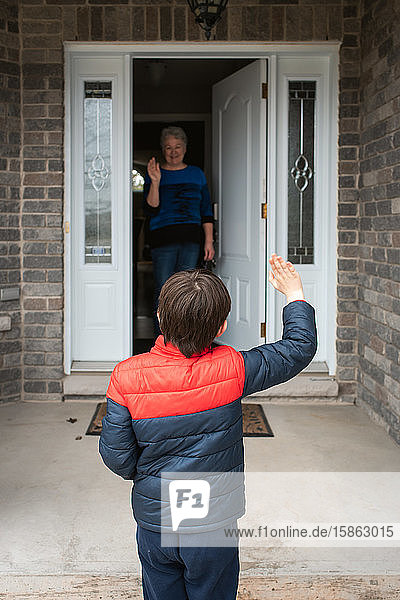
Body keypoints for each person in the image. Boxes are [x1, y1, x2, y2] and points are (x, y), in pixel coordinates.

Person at [99, 254, 317, 600]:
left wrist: (148, 476)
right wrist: (294, 294)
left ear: (159, 317)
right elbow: (297, 348)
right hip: (213, 527)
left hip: (157, 522)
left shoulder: (126, 376)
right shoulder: (233, 368)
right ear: (221, 327)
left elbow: (117, 457)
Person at [144, 126, 215, 335]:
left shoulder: (196, 174)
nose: (173, 152)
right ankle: (162, 340)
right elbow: (150, 208)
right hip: (162, 241)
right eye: (168, 148)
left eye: (177, 147)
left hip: (191, 241)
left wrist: (209, 241)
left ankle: (184, 339)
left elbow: (206, 209)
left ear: (185, 148)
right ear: (162, 150)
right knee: (163, 291)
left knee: (189, 291)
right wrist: (155, 182)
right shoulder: (155, 173)